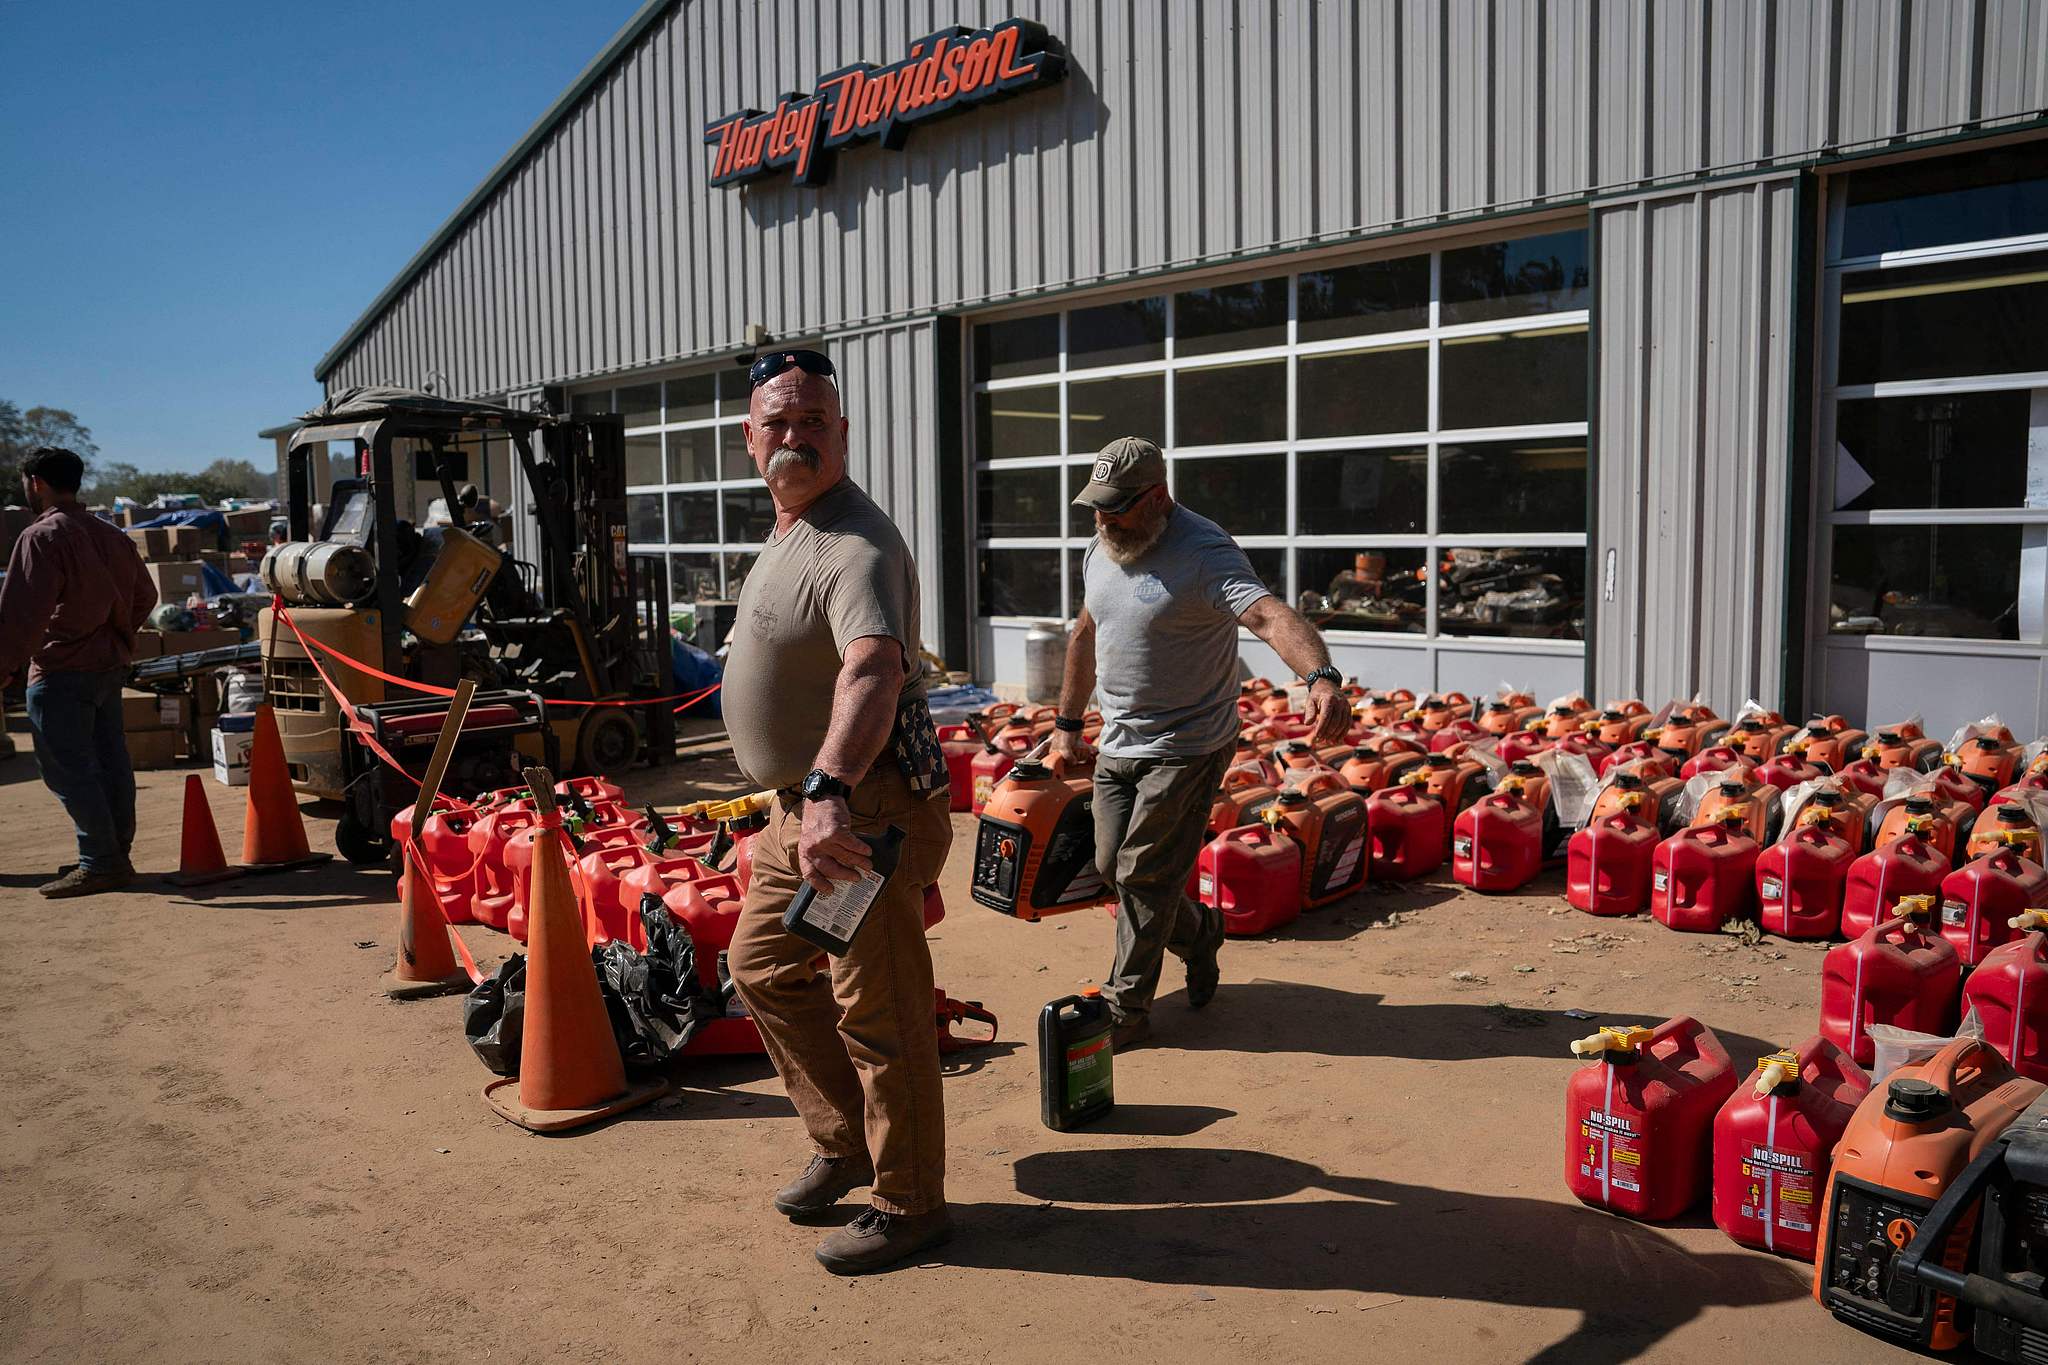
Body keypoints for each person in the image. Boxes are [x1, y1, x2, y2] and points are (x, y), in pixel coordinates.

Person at [720, 350, 955, 1276]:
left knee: (881, 1011)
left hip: (859, 810)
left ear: (843, 435)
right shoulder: (789, 530)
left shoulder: (853, 541)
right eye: (777, 423)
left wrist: (822, 792)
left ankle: (910, 1202)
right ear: (750, 439)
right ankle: (843, 1141)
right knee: (763, 969)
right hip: (802, 812)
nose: (795, 436)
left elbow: (872, 667)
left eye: (814, 420)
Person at [1050, 436, 1351, 1048]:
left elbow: (1268, 616)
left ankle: (1126, 1006)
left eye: (1119, 506)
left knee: (1141, 872)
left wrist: (1320, 678)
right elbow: (1086, 632)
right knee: (1112, 868)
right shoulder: (1104, 545)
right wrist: (1066, 724)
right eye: (1097, 507)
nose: (1106, 518)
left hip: (1189, 744)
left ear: (1158, 496)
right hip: (1120, 740)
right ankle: (1199, 931)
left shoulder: (1205, 552)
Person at [0, 447, 159, 897]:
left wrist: (5, 666)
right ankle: (111, 853)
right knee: (110, 763)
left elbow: (20, 616)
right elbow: (145, 595)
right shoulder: (110, 535)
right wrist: (115, 631)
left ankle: (101, 861)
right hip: (108, 667)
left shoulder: (42, 537)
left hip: (62, 670)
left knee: (68, 768)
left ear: (35, 482)